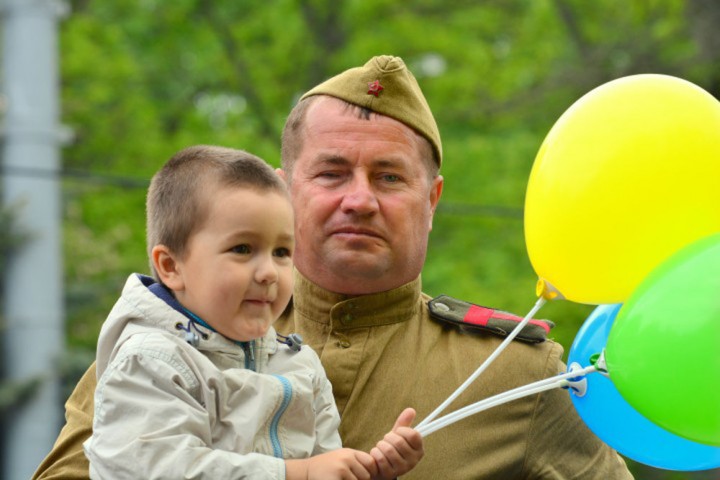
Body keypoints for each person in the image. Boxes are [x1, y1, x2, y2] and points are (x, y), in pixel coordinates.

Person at [34, 56, 633, 479]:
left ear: (434, 199)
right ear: (284, 185)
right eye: (331, 172)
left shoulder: (515, 375)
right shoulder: (173, 333)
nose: (360, 199)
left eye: (390, 177)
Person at [79, 145, 423, 479]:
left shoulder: (300, 365)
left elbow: (323, 464)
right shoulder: (152, 360)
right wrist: (294, 474)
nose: (269, 272)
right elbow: (151, 469)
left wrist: (367, 472)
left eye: (282, 252)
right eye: (242, 249)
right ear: (171, 266)